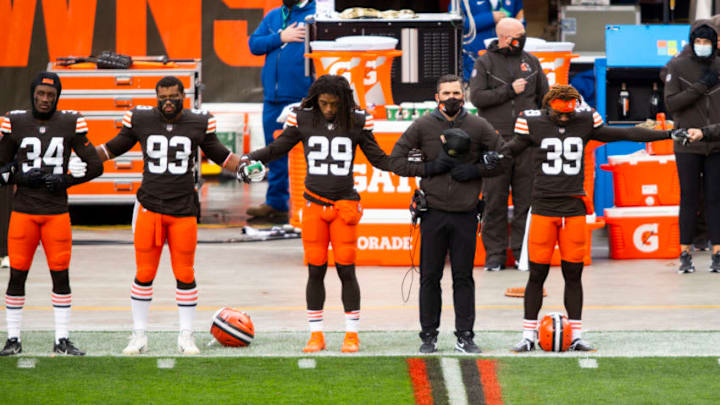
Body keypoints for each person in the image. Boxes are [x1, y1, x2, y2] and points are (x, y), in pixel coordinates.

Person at [505, 85, 687, 352]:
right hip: (543, 207)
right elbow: (511, 148)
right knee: (537, 274)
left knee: (573, 273)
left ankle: (576, 334)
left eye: (569, 112)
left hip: (574, 208)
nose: (566, 118)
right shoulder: (532, 122)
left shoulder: (586, 120)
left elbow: (625, 133)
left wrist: (667, 133)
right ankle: (528, 335)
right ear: (548, 108)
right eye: (560, 113)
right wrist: (491, 155)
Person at [246, 74, 419, 353]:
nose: (328, 109)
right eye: (324, 103)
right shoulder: (302, 118)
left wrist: (411, 165)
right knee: (315, 270)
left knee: (346, 270)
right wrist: (248, 158)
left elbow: (379, 159)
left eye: (334, 104)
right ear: (315, 100)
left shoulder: (356, 119)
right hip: (314, 205)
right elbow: (278, 148)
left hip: (344, 206)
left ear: (343, 102)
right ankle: (316, 334)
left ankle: (352, 334)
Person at [95, 76, 262, 355]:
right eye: (163, 97)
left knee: (185, 274)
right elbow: (112, 148)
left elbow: (220, 154)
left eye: (173, 96)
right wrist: (79, 155)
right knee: (144, 274)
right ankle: (139, 335)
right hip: (149, 207)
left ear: (183, 95)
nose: (168, 102)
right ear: (156, 97)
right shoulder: (140, 118)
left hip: (183, 209)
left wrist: (243, 166)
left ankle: (186, 335)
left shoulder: (198, 121)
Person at [390, 74, 505, 353]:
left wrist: (476, 170)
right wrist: (429, 169)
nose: (452, 98)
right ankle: (428, 335)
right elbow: (395, 161)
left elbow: (504, 156)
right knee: (430, 276)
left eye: (456, 93)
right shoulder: (423, 125)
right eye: (446, 93)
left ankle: (465, 335)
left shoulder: (478, 125)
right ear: (436, 97)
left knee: (463, 277)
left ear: (464, 96)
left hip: (466, 214)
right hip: (433, 213)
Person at [0, 72, 103, 356]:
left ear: (57, 97)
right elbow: (0, 168)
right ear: (33, 94)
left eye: (51, 95)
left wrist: (66, 180)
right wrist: (21, 175)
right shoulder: (16, 121)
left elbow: (95, 166)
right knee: (17, 277)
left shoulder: (69, 123)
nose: (45, 100)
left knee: (61, 277)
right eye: (41, 94)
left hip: (56, 212)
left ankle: (61, 339)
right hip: (24, 212)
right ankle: (12, 339)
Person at [469, 17, 548, 271]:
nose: (522, 39)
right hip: (495, 140)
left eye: (523, 34)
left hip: (527, 142)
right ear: (503, 37)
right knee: (494, 200)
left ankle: (522, 253)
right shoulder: (485, 62)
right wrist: (509, 91)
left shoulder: (531, 62)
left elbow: (544, 99)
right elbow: (477, 98)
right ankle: (494, 255)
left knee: (527, 200)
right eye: (518, 35)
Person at [248, 0, 316, 221]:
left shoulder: (317, 15)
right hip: (273, 99)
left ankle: (311, 205)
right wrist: (280, 37)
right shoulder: (273, 16)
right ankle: (276, 205)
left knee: (309, 154)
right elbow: (254, 45)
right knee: (275, 152)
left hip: (303, 97)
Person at [664, 20, 720, 274]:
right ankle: (685, 251)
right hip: (686, 144)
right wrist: (701, 86)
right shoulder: (677, 66)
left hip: (715, 143)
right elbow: (672, 104)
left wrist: (707, 132)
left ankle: (717, 252)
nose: (702, 46)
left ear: (714, 44)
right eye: (698, 42)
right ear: (691, 43)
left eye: (706, 42)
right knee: (688, 198)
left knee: (715, 199)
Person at [455, 0, 524, 81]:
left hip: (506, 61)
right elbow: (456, 24)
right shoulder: (459, 1)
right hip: (474, 59)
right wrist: (490, 18)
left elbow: (521, 23)